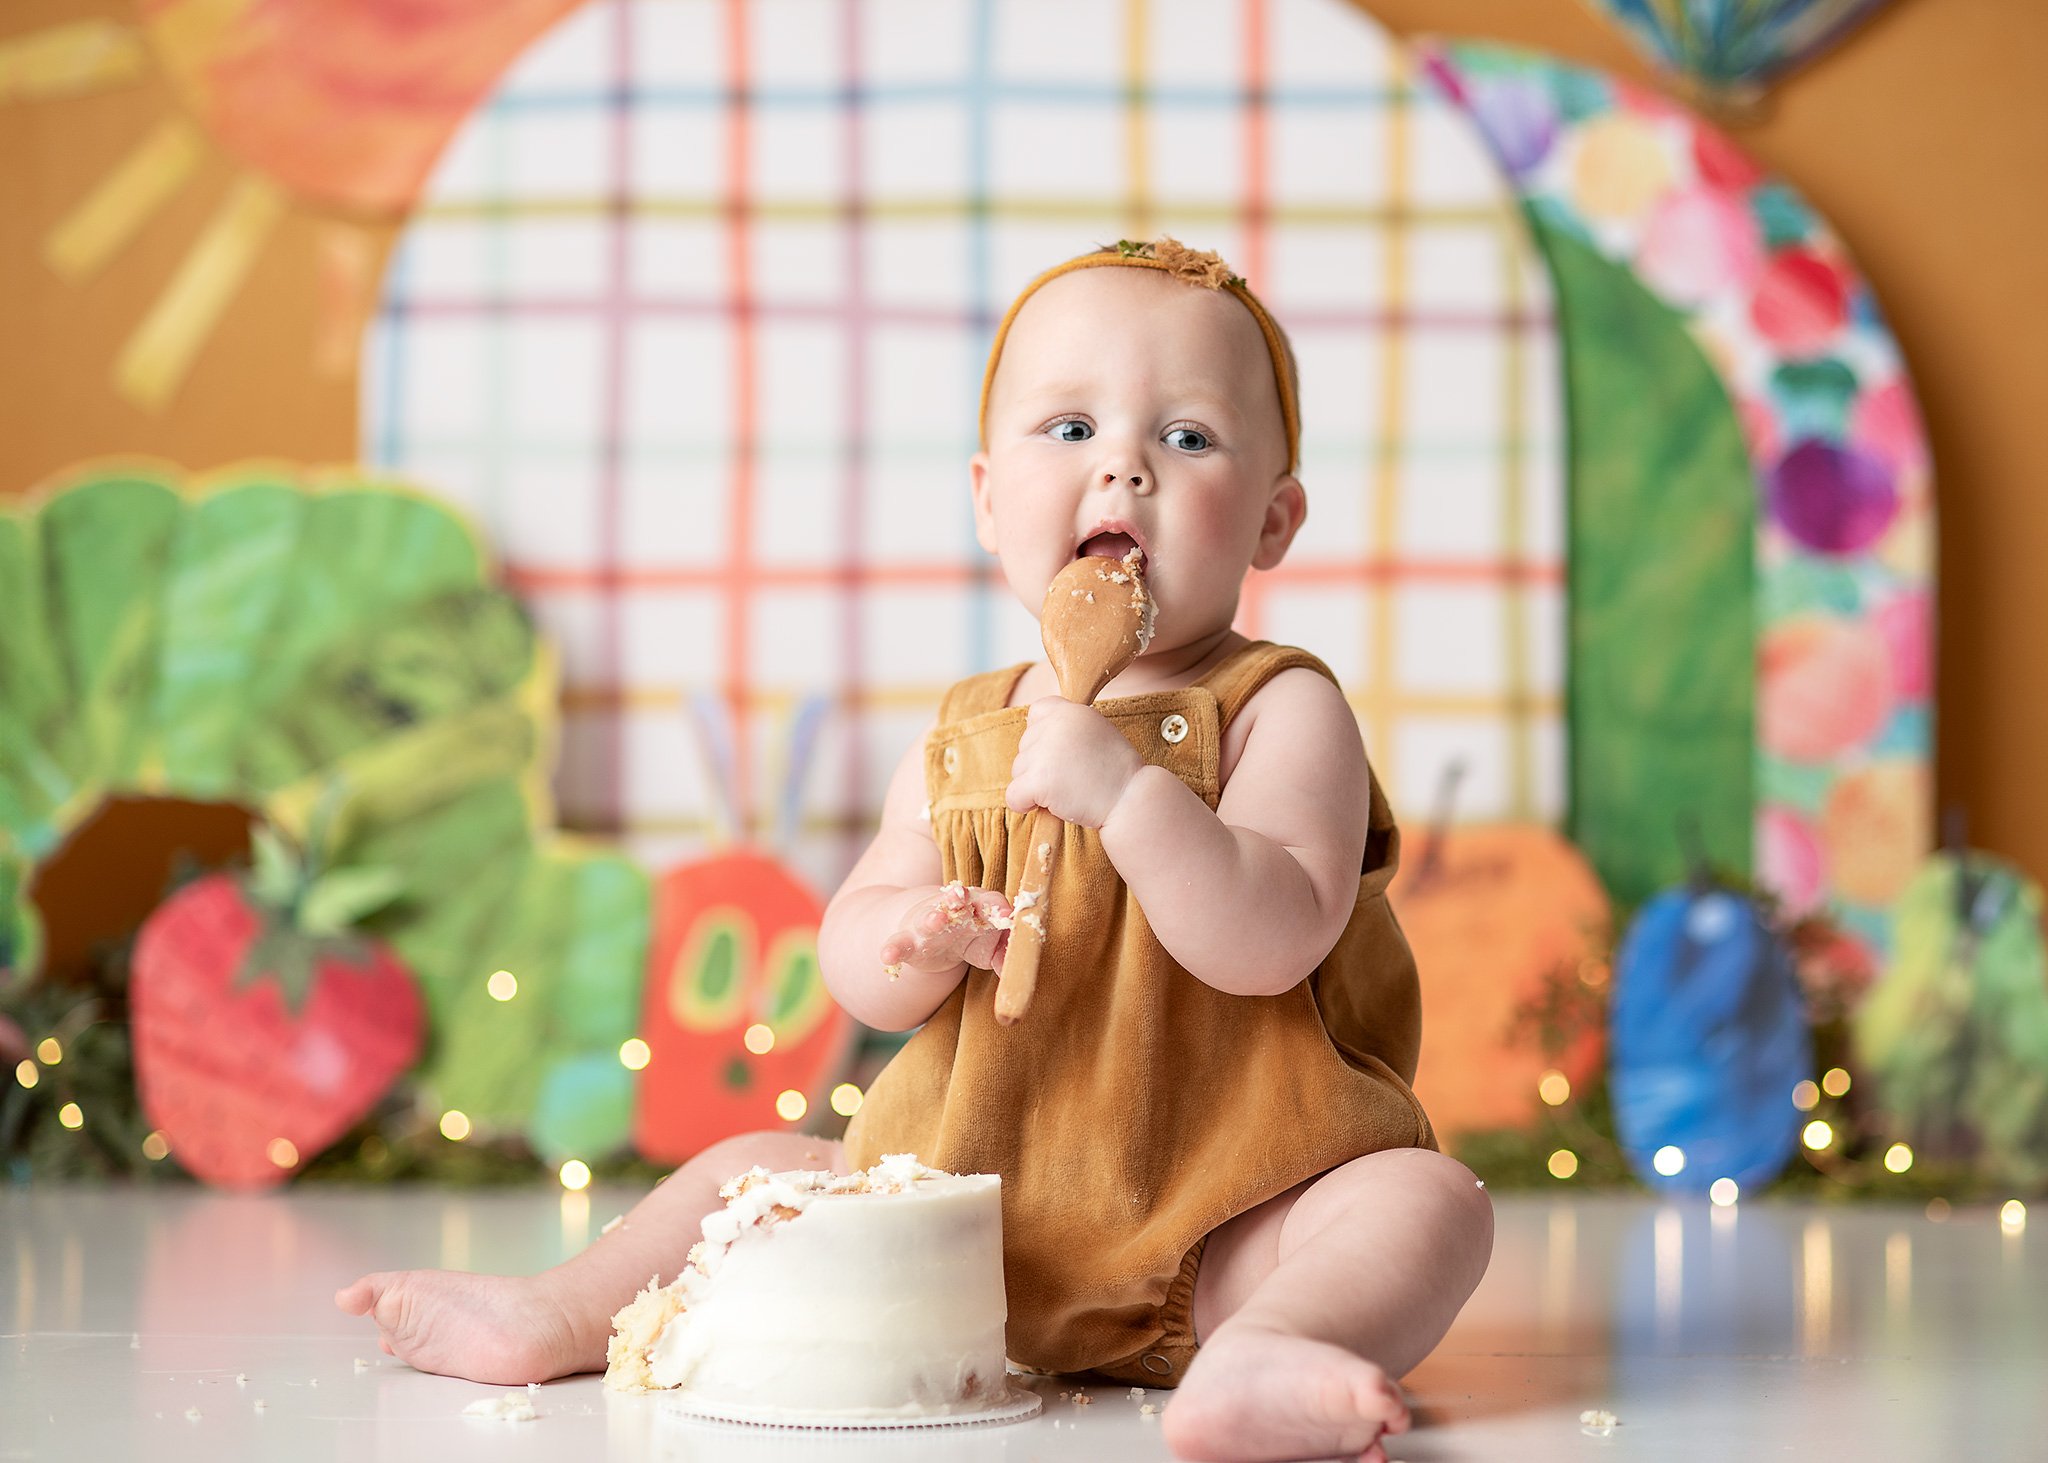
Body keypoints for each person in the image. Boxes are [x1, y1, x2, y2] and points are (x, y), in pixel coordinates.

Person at [337, 239, 1493, 1463]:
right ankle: (559, 1310)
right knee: (757, 1165)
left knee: (1424, 1202)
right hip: (960, 1234)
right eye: (1069, 427)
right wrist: (911, 935)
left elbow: (1271, 935)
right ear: (990, 498)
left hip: (1229, 1218)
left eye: (1188, 438)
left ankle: (1274, 1349)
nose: (1122, 465)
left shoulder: (1278, 706)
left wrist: (1132, 800)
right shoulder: (964, 736)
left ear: (1273, 518)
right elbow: (858, 959)